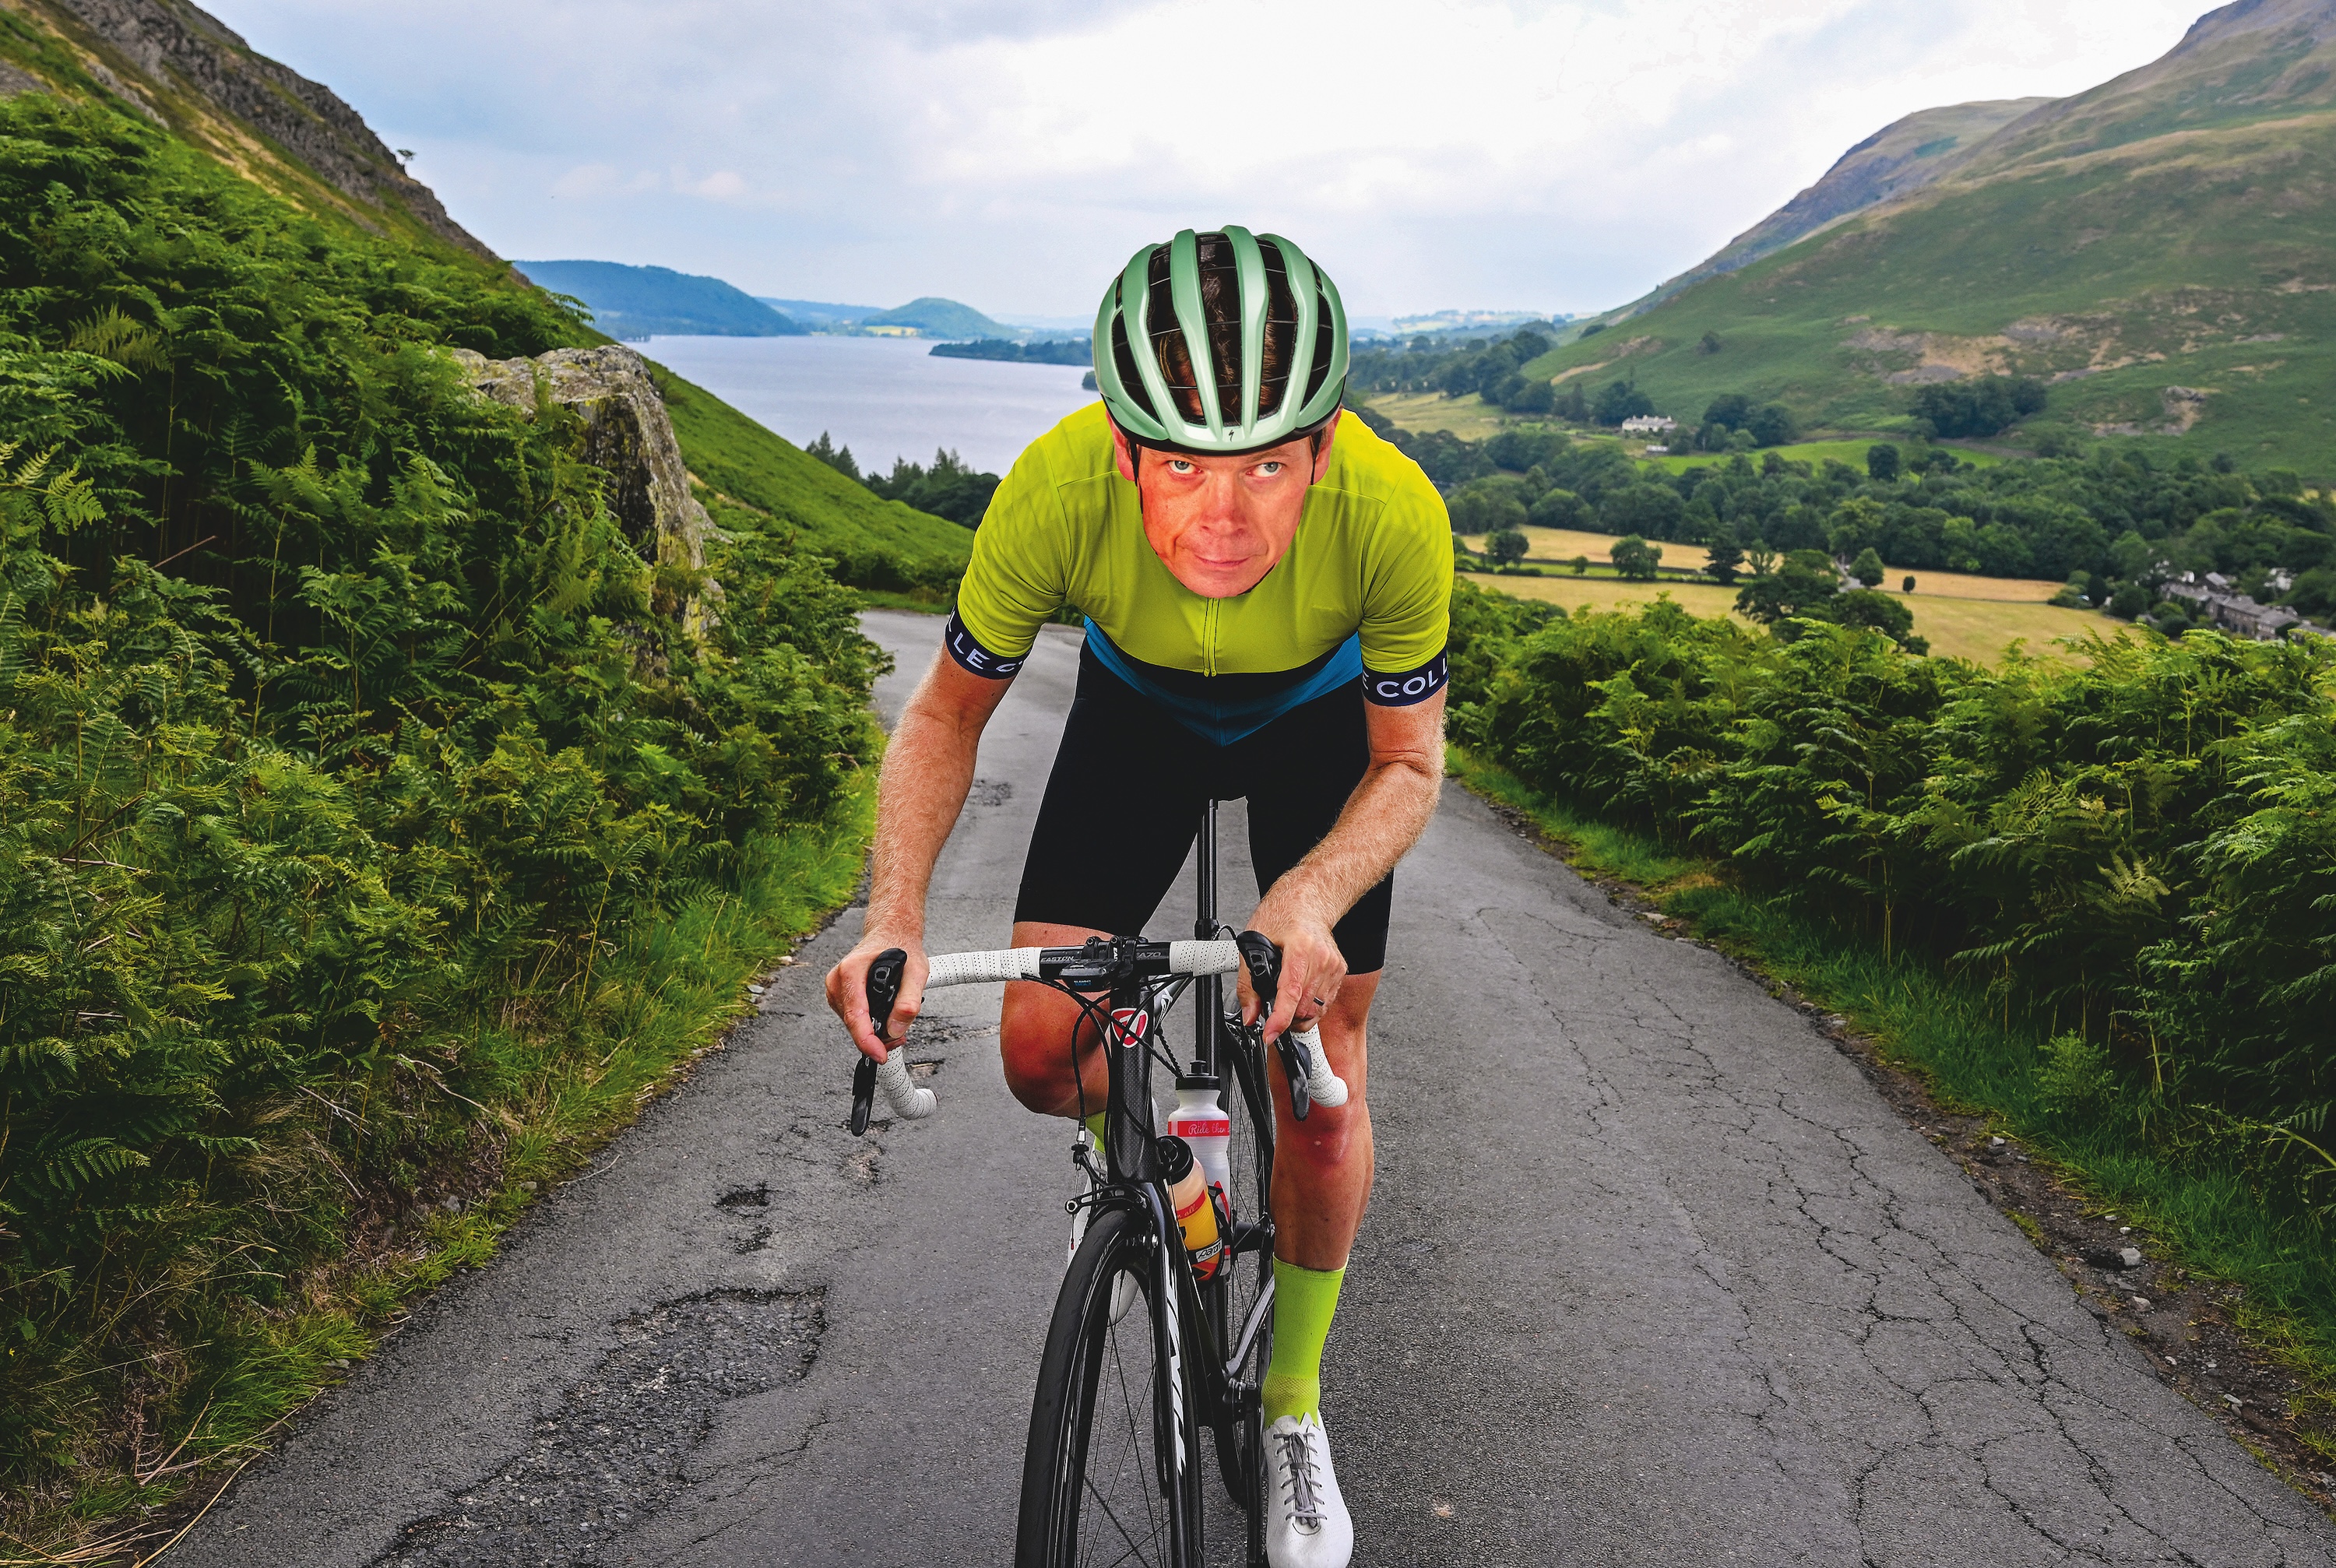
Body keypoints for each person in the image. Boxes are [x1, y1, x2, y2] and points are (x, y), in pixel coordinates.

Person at [825, 227, 1450, 1568]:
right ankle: (1174, 1166)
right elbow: (944, 717)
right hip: (1139, 712)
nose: (1222, 520)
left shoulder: (1397, 513)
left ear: (1324, 452)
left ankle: (1291, 1408)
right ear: (1120, 449)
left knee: (1321, 1071)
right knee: (1045, 1053)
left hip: (1317, 719)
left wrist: (1309, 892)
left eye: (1268, 466)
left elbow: (1408, 765)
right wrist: (895, 915)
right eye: (1179, 464)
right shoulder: (1051, 490)